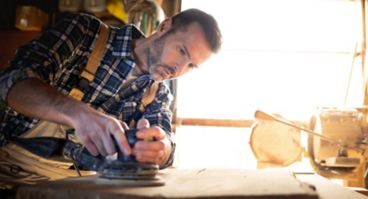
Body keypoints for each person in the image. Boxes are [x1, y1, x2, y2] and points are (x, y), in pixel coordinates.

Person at [0, 8, 221, 184]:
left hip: (75, 188)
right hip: (9, 172)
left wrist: (160, 149)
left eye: (191, 65)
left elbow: (166, 144)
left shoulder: (159, 93)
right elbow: (12, 80)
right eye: (182, 51)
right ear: (164, 27)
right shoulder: (87, 34)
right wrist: (79, 114)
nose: (179, 69)